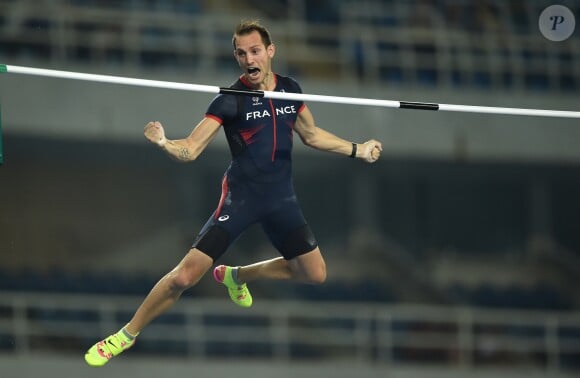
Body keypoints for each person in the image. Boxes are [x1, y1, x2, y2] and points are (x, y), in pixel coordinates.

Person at [84, 20, 383, 367]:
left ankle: (236, 275)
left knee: (315, 273)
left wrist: (357, 149)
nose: (248, 59)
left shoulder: (290, 89)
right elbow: (192, 149)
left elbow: (312, 135)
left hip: (281, 199)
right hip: (241, 199)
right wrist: (165, 143)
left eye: (255, 51)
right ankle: (124, 335)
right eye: (241, 53)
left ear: (270, 52)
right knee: (183, 276)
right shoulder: (229, 100)